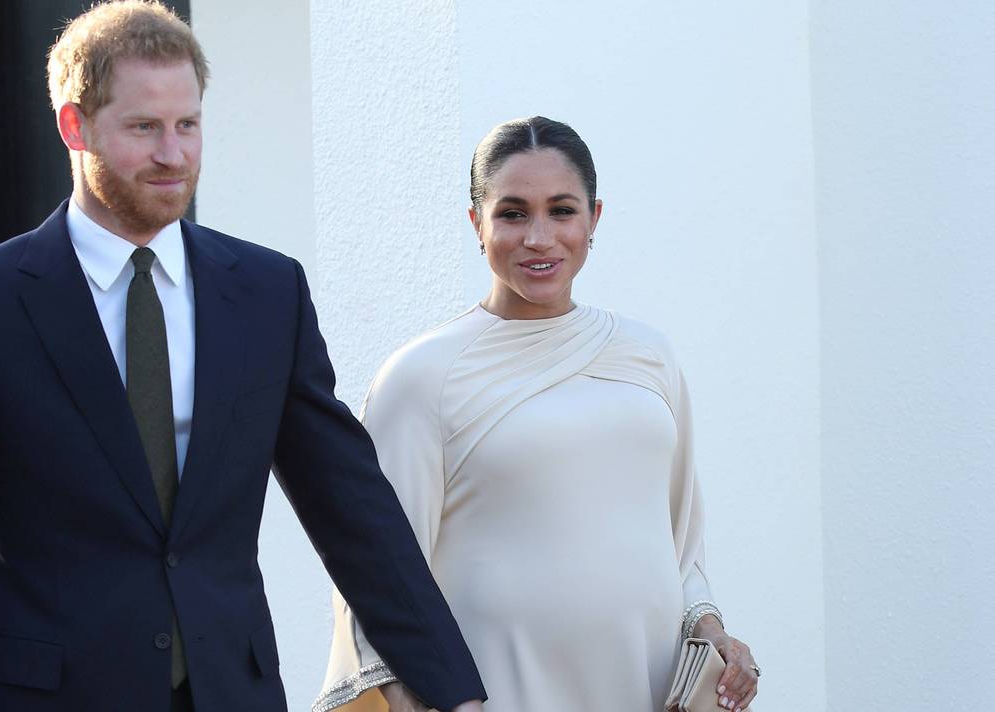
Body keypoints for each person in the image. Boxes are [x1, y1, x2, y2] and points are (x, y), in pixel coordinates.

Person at [0, 3, 487, 711]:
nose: (174, 153)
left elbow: (352, 506)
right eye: (143, 128)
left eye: (188, 125)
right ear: (75, 125)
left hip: (232, 692)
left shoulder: (267, 292)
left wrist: (451, 691)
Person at [317, 117, 760, 712]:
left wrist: (712, 633)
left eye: (562, 210)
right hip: (495, 692)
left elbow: (680, 548)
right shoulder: (421, 377)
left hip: (645, 684)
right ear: (477, 223)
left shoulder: (649, 355)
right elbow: (380, 578)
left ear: (594, 219)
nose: (539, 237)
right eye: (513, 213)